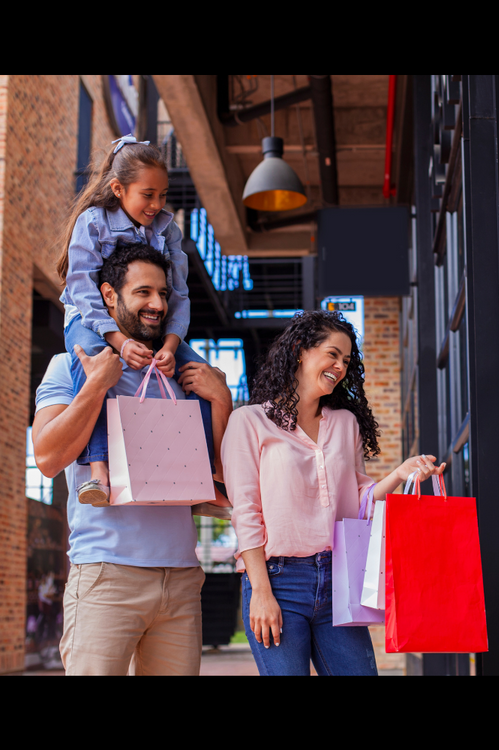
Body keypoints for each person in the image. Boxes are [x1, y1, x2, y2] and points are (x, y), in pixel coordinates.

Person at [32, 243, 234, 676]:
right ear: (108, 295)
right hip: (106, 577)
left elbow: (220, 478)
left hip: (180, 579)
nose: (157, 304)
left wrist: (222, 402)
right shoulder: (69, 366)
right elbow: (47, 457)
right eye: (143, 292)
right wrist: (96, 386)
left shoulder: (180, 374)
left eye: (163, 294)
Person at [222, 310, 446, 676]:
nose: (340, 366)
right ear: (299, 350)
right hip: (278, 580)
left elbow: (357, 500)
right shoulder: (249, 422)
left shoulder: (345, 424)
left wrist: (399, 474)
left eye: (346, 360)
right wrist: (260, 590)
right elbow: (245, 511)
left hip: (338, 580)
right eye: (332, 354)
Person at [57, 135, 215, 508]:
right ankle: (99, 470)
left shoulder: (167, 228)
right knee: (94, 367)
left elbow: (177, 294)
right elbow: (83, 287)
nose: (157, 204)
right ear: (118, 188)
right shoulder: (93, 222)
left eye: (162, 194)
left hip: (150, 328)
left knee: (206, 376)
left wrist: (172, 347)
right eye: (148, 194)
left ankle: (206, 474)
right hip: (90, 317)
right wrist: (118, 341)